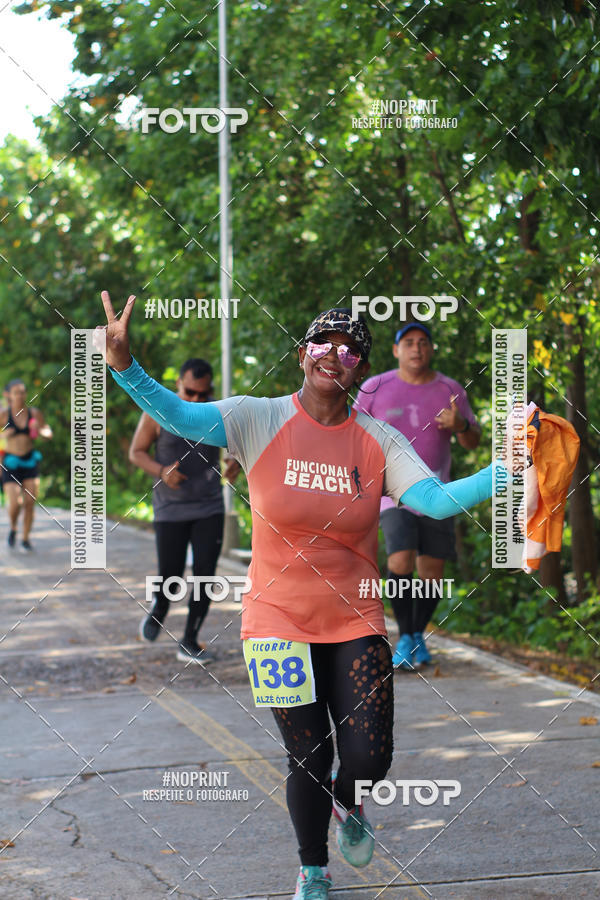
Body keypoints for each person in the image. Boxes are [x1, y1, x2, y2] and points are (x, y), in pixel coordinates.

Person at [98, 293, 504, 900]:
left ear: (361, 368)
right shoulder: (255, 418)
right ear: (302, 355)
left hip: (355, 616)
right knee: (308, 755)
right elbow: (180, 417)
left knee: (369, 757)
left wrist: (512, 469)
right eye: (324, 344)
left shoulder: (378, 440)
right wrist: (124, 365)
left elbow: (436, 501)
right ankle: (313, 870)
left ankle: (350, 802)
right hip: (275, 620)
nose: (334, 356)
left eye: (350, 349)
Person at [355, 323, 481, 671]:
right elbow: (352, 436)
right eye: (408, 343)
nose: (416, 349)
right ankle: (407, 638)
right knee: (400, 559)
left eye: (423, 343)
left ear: (431, 349)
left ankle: (414, 637)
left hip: (438, 491)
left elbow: (473, 440)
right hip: (392, 493)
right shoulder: (374, 388)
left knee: (432, 573)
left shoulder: (450, 389)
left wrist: (461, 427)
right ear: (396, 350)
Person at [129, 358, 241, 663]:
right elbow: (136, 452)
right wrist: (161, 471)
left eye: (203, 394)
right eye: (190, 392)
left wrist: (236, 463)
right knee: (172, 576)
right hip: (170, 509)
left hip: (208, 506)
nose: (196, 400)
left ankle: (189, 640)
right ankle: (160, 609)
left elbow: (238, 445)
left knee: (205, 575)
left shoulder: (217, 411)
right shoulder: (158, 410)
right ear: (179, 383)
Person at [1, 378, 53, 551]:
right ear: (8, 395)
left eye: (23, 392)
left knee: (30, 502)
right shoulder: (4, 415)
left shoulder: (34, 413)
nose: (20, 396)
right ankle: (14, 528)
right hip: (11, 462)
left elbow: (48, 433)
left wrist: (40, 430)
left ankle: (25, 538)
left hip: (30, 460)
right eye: (16, 392)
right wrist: (3, 435)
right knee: (15, 503)